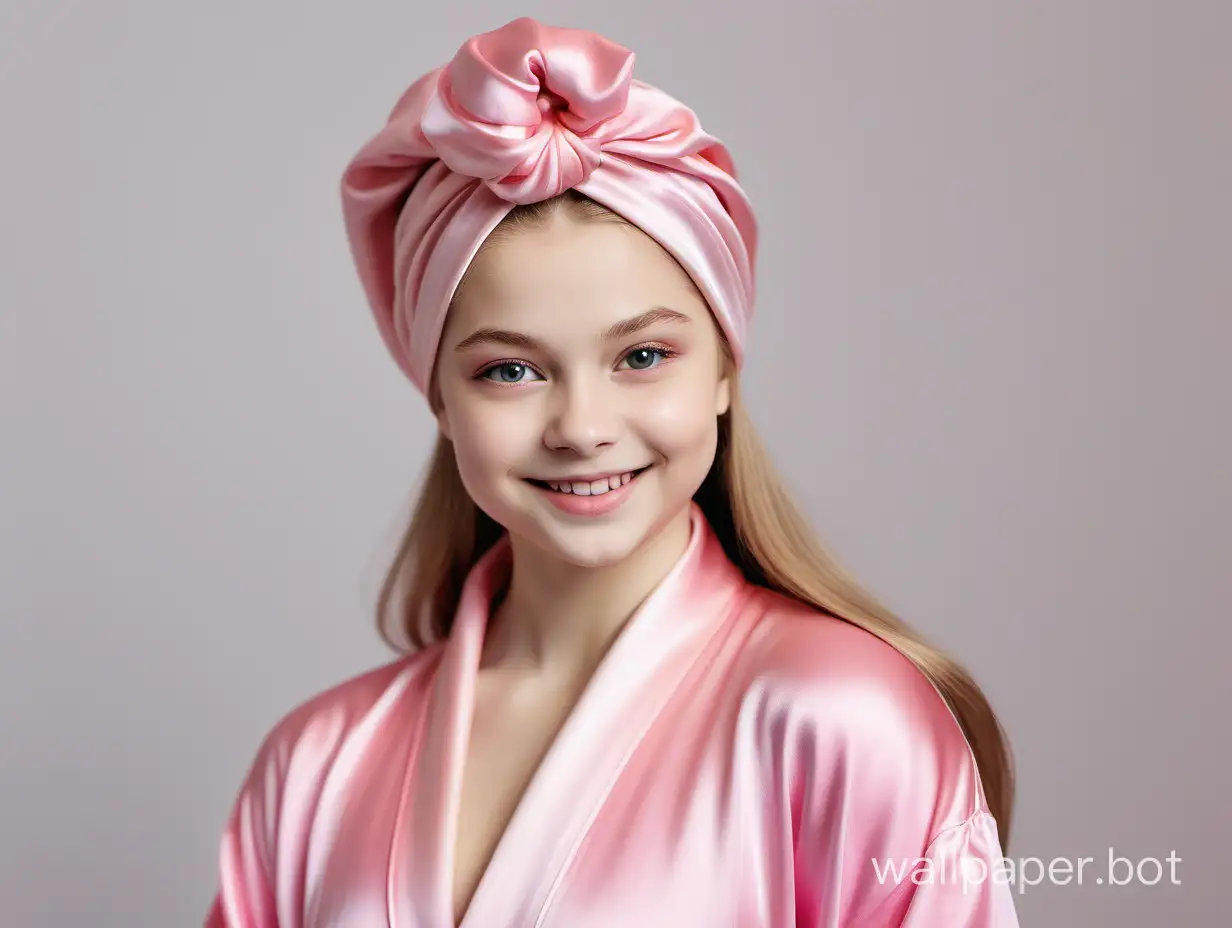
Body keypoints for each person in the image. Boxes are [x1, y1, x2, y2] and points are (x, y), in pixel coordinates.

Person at [205, 16, 1020, 927]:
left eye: (642, 356)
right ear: (439, 397)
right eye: (509, 370)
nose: (583, 429)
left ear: (723, 368)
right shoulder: (317, 764)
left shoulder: (844, 716)